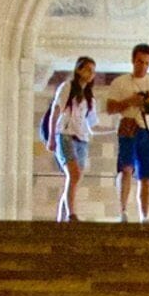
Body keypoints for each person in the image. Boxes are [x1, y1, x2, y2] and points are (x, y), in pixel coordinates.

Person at [99, 43, 149, 223]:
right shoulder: (120, 82)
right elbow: (109, 108)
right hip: (129, 126)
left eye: (147, 63)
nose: (143, 66)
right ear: (133, 60)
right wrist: (130, 101)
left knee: (146, 175)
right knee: (126, 168)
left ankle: (144, 215)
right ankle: (122, 211)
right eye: (140, 61)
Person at [38, 57, 98, 222]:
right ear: (79, 70)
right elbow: (56, 112)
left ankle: (62, 217)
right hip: (65, 135)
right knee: (74, 174)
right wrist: (51, 138)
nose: (91, 74)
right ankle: (71, 215)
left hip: (82, 139)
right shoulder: (67, 87)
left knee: (75, 178)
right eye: (88, 70)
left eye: (93, 71)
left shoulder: (89, 98)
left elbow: (93, 125)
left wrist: (117, 128)